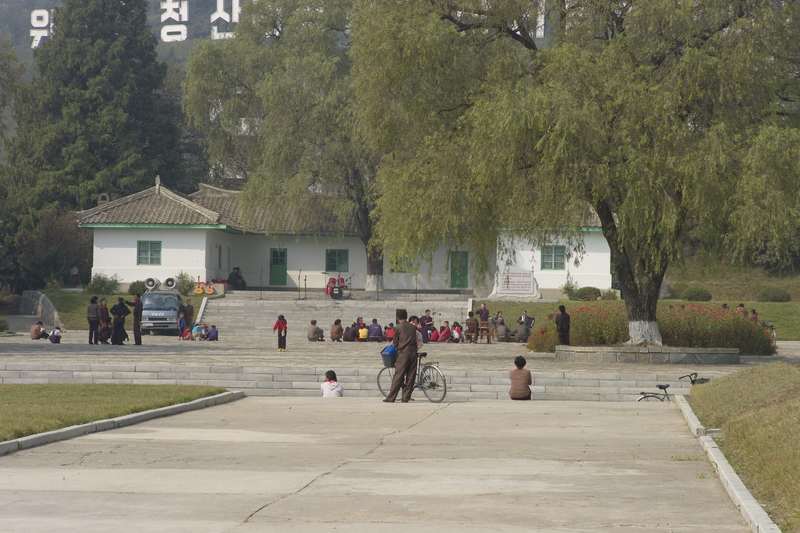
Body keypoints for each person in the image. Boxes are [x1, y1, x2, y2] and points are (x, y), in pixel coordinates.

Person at [383, 309, 418, 403]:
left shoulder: (397, 327)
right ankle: (405, 397)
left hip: (403, 354)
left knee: (398, 376)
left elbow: (395, 343)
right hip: (413, 353)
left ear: (397, 317)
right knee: (411, 376)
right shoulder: (413, 327)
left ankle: (391, 398)